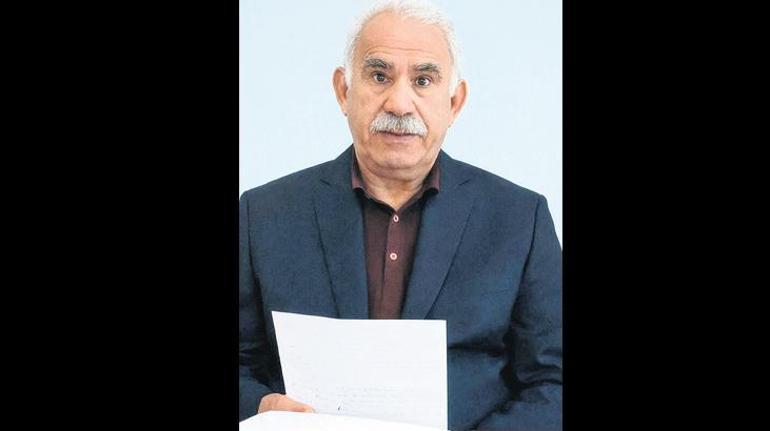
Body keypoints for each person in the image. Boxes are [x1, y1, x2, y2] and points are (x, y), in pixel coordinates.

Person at [239, 1, 562, 429]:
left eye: (423, 80)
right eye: (379, 76)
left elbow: (553, 381)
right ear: (343, 91)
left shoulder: (520, 219)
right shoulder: (264, 214)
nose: (399, 103)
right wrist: (261, 406)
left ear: (455, 102)